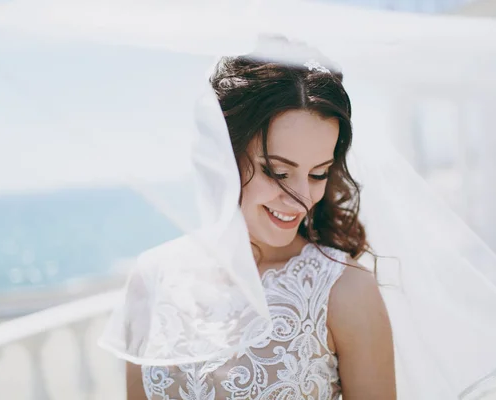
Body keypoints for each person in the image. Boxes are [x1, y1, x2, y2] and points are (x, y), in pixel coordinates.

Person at [124, 48, 397, 399]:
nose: (300, 197)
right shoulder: (152, 277)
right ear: (223, 156)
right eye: (278, 172)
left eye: (318, 174)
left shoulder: (345, 289)